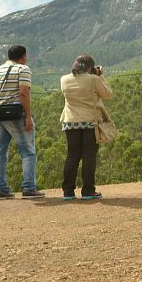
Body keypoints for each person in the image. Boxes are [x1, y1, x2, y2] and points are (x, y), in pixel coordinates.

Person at [0, 45, 44, 200]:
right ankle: (29, 188)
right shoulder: (23, 69)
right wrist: (27, 117)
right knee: (27, 152)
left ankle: (1, 190)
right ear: (23, 56)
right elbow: (23, 93)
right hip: (16, 114)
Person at [60, 54, 113, 200]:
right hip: (90, 121)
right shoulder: (93, 79)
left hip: (70, 121)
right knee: (89, 155)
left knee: (72, 155)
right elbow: (107, 94)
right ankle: (88, 190)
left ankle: (68, 192)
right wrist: (100, 76)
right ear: (90, 67)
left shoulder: (64, 79)